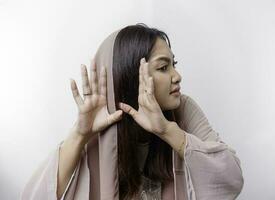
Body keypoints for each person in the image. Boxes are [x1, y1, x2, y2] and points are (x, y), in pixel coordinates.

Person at [21, 23, 244, 200]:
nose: (177, 76)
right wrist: (80, 135)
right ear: (132, 78)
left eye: (173, 64)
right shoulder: (100, 121)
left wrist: (167, 131)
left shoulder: (183, 108)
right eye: (163, 67)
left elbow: (231, 180)